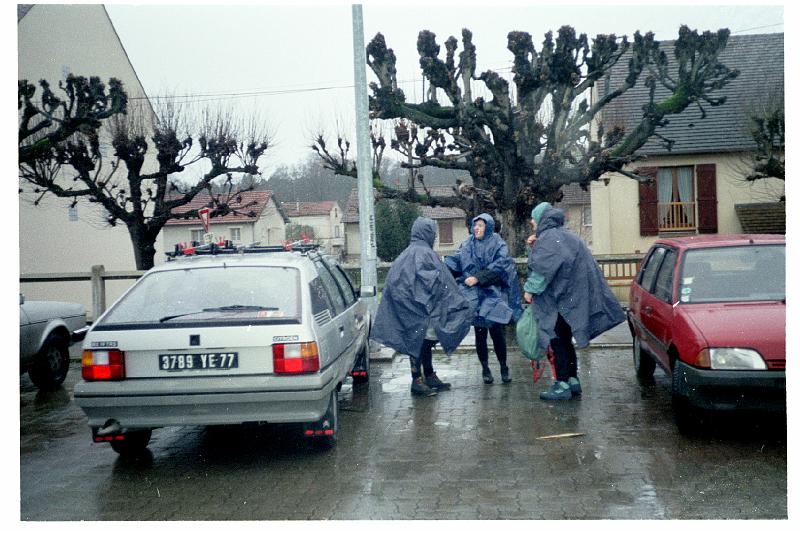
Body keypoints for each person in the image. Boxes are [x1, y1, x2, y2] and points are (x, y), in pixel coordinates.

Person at [524, 202, 625, 401]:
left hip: (557, 300)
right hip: (571, 299)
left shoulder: (549, 238)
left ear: (542, 219)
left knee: (556, 341)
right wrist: (534, 246)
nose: (532, 222)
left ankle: (561, 384)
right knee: (566, 340)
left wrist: (529, 290)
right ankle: (572, 380)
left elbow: (543, 269)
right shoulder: (565, 235)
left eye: (534, 218)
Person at [371, 217, 474, 396]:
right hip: (418, 308)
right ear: (428, 233)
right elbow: (432, 282)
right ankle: (417, 380)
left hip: (407, 306)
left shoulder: (407, 253)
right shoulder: (424, 254)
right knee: (420, 341)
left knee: (422, 341)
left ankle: (428, 374)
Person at [445, 213, 523, 384]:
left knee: (497, 333)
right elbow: (457, 260)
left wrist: (478, 278)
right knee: (480, 334)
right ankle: (485, 369)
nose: (477, 228)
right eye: (475, 225)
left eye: (480, 225)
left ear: (488, 227)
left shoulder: (498, 243)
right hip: (474, 296)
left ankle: (503, 367)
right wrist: (445, 268)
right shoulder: (468, 244)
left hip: (493, 294)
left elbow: (501, 267)